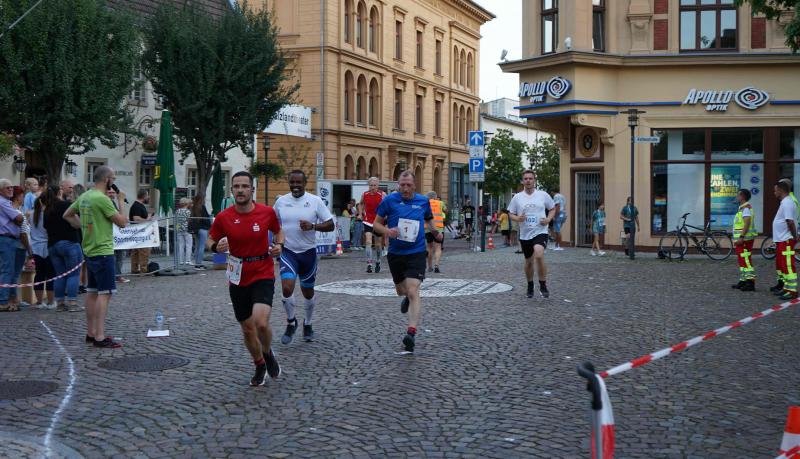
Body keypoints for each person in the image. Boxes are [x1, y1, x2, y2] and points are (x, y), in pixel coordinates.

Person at [206, 171, 283, 386]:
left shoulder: (266, 212)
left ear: (252, 190)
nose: (240, 190)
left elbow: (279, 232)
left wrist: (279, 245)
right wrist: (215, 246)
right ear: (232, 190)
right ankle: (259, 364)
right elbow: (210, 239)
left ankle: (267, 352)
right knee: (248, 329)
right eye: (236, 186)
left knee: (260, 322)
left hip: (262, 271)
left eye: (244, 186)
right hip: (238, 275)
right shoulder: (224, 217)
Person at [372, 171, 441, 353]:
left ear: (414, 186)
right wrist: (387, 231)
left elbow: (428, 218)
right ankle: (406, 299)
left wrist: (435, 231)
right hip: (396, 253)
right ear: (398, 185)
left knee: (413, 290)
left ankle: (411, 333)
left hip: (416, 252)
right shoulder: (389, 201)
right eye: (402, 185)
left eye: (408, 185)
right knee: (401, 291)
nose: (405, 188)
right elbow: (376, 224)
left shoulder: (422, 201)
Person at [63, 166, 129, 348]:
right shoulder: (102, 199)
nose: (113, 182)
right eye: (113, 178)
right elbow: (122, 223)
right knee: (105, 293)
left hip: (90, 250)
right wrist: (120, 201)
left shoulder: (85, 196)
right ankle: (100, 336)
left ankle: (91, 333)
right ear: (107, 179)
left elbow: (67, 215)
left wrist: (82, 227)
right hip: (103, 251)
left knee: (92, 292)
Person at [274, 170, 335, 344]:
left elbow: (330, 225)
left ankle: (308, 323)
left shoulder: (315, 201)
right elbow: (271, 222)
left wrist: (313, 226)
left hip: (308, 253)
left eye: (298, 183)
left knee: (307, 292)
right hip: (288, 252)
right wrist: (275, 239)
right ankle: (291, 322)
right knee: (287, 288)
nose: (295, 186)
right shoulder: (281, 202)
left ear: (305, 183)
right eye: (292, 182)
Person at [508, 170, 558, 299]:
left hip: (540, 231)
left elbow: (552, 208)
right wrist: (518, 218)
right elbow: (511, 213)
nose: (528, 181)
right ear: (522, 181)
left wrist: (548, 219)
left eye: (530, 178)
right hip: (525, 234)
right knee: (529, 262)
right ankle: (530, 285)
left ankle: (543, 284)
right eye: (526, 179)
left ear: (534, 180)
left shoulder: (543, 195)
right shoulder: (517, 197)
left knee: (539, 255)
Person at [45, 186, 84, 313]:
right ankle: (72, 303)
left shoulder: (47, 209)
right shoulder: (66, 205)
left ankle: (60, 303)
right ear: (60, 192)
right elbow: (78, 224)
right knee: (74, 274)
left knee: (59, 275)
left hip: (53, 245)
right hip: (69, 242)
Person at [0, 179, 25, 312]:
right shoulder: (3, 202)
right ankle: (3, 301)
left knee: (8, 270)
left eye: (11, 187)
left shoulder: (6, 202)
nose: (11, 189)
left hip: (8, 239)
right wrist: (18, 219)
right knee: (7, 271)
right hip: (6, 239)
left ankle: (8, 299)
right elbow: (20, 219)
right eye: (7, 188)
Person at [31, 186, 58, 308]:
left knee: (39, 274)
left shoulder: (32, 214)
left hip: (36, 247)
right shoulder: (49, 214)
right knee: (51, 275)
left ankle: (39, 302)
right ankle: (51, 302)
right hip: (48, 246)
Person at [7, 186, 33, 310]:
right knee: (15, 273)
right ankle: (13, 298)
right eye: (22, 196)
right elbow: (23, 234)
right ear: (18, 197)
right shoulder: (16, 212)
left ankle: (14, 298)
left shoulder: (16, 210)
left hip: (17, 246)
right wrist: (29, 249)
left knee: (13, 273)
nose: (23, 199)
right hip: (20, 247)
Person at [771, 181, 798, 300]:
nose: (774, 192)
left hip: (786, 239)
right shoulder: (785, 202)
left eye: (775, 190)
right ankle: (787, 288)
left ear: (781, 190)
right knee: (783, 265)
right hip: (782, 239)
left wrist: (794, 236)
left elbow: (790, 222)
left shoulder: (787, 202)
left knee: (788, 265)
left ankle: (792, 291)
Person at [732, 189, 757, 292]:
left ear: (742, 197)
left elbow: (747, 223)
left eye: (738, 195)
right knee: (742, 260)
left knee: (746, 260)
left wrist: (741, 237)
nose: (737, 197)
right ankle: (743, 280)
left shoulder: (746, 209)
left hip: (745, 240)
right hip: (742, 240)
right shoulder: (742, 208)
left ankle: (750, 282)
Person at [360, 177, 385, 273]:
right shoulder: (365, 194)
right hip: (368, 221)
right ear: (368, 186)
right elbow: (361, 204)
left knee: (378, 244)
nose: (373, 187)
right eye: (371, 185)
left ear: (378, 185)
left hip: (378, 221)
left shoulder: (382, 194)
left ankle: (378, 261)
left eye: (374, 185)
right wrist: (360, 213)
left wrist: (386, 214)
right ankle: (369, 264)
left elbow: (388, 205)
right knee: (368, 242)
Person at [106, 187, 130, 284]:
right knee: (115, 256)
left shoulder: (113, 203)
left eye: (113, 192)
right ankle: (116, 276)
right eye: (109, 192)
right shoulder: (107, 203)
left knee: (120, 255)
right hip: (111, 234)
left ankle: (117, 275)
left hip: (117, 235)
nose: (112, 194)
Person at [129, 189, 152, 274]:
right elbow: (136, 219)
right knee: (144, 251)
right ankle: (144, 270)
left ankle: (134, 269)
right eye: (148, 195)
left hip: (138, 232)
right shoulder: (137, 206)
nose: (149, 197)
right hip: (140, 232)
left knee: (135, 251)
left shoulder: (139, 205)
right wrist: (148, 219)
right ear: (144, 196)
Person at [426, 191, 446, 273]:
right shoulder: (440, 203)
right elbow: (446, 211)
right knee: (438, 247)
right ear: (435, 197)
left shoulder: (425, 203)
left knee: (429, 247)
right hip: (439, 228)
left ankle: (429, 267)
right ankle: (436, 266)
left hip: (428, 228)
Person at [191, 194, 212, 269]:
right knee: (202, 246)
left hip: (196, 229)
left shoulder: (193, 208)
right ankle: (199, 263)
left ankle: (196, 262)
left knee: (197, 246)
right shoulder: (202, 207)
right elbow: (206, 218)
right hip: (203, 228)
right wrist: (209, 225)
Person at [175, 197, 193, 265]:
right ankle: (188, 260)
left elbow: (176, 220)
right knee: (188, 245)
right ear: (186, 203)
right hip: (187, 229)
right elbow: (189, 220)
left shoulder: (177, 211)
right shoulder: (188, 211)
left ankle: (181, 261)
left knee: (181, 245)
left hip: (179, 229)